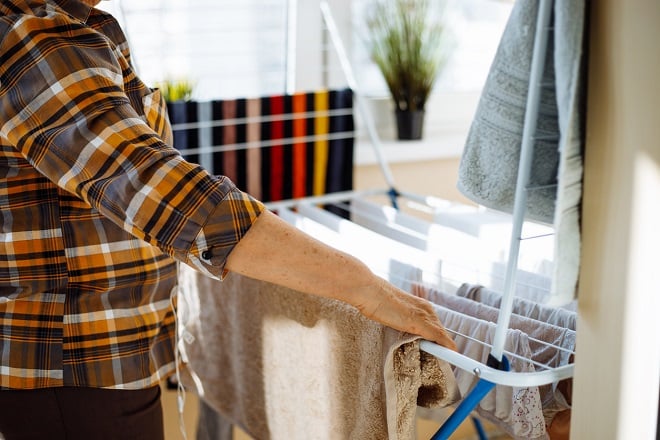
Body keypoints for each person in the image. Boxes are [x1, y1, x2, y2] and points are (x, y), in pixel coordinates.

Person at [0, 0, 456, 438]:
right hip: (75, 369)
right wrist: (364, 288)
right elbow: (174, 197)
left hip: (90, 364)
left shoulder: (72, 27)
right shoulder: (35, 39)